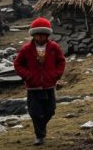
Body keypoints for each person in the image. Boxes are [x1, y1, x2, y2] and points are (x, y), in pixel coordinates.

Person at [14, 17, 66, 145]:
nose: (41, 37)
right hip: (33, 87)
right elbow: (18, 64)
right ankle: (40, 135)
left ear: (47, 34)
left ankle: (41, 128)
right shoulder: (26, 49)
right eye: (38, 35)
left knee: (50, 110)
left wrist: (56, 75)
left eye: (43, 35)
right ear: (34, 35)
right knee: (34, 112)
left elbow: (61, 61)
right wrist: (28, 76)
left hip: (49, 85)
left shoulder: (54, 47)